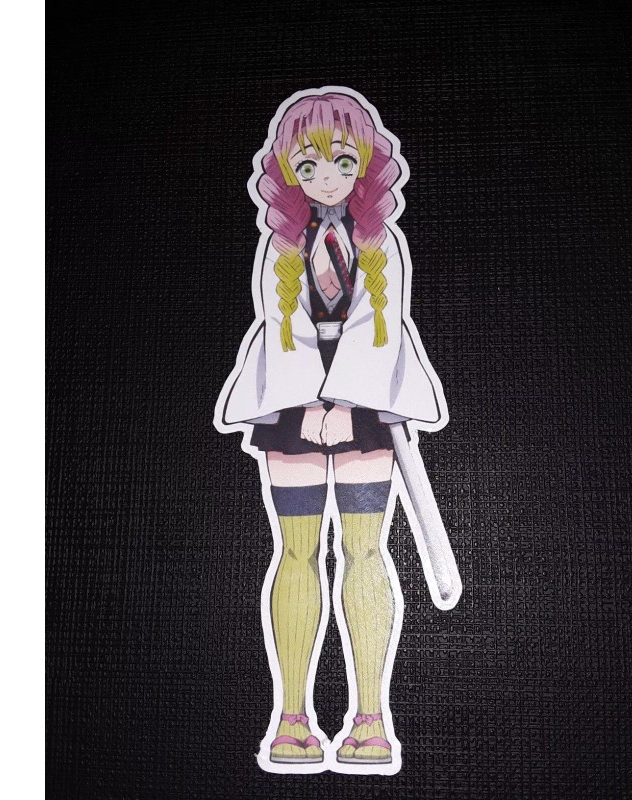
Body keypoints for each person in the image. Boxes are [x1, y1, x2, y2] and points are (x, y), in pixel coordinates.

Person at [217, 89, 445, 768]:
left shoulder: (383, 245)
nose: (326, 178)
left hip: (368, 406)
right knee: (295, 552)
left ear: (366, 166)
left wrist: (345, 400)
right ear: (286, 170)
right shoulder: (280, 247)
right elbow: (280, 327)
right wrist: (313, 402)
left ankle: (370, 719)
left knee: (366, 553)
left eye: (343, 162)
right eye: (308, 164)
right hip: (291, 407)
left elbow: (382, 328)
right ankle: (292, 718)